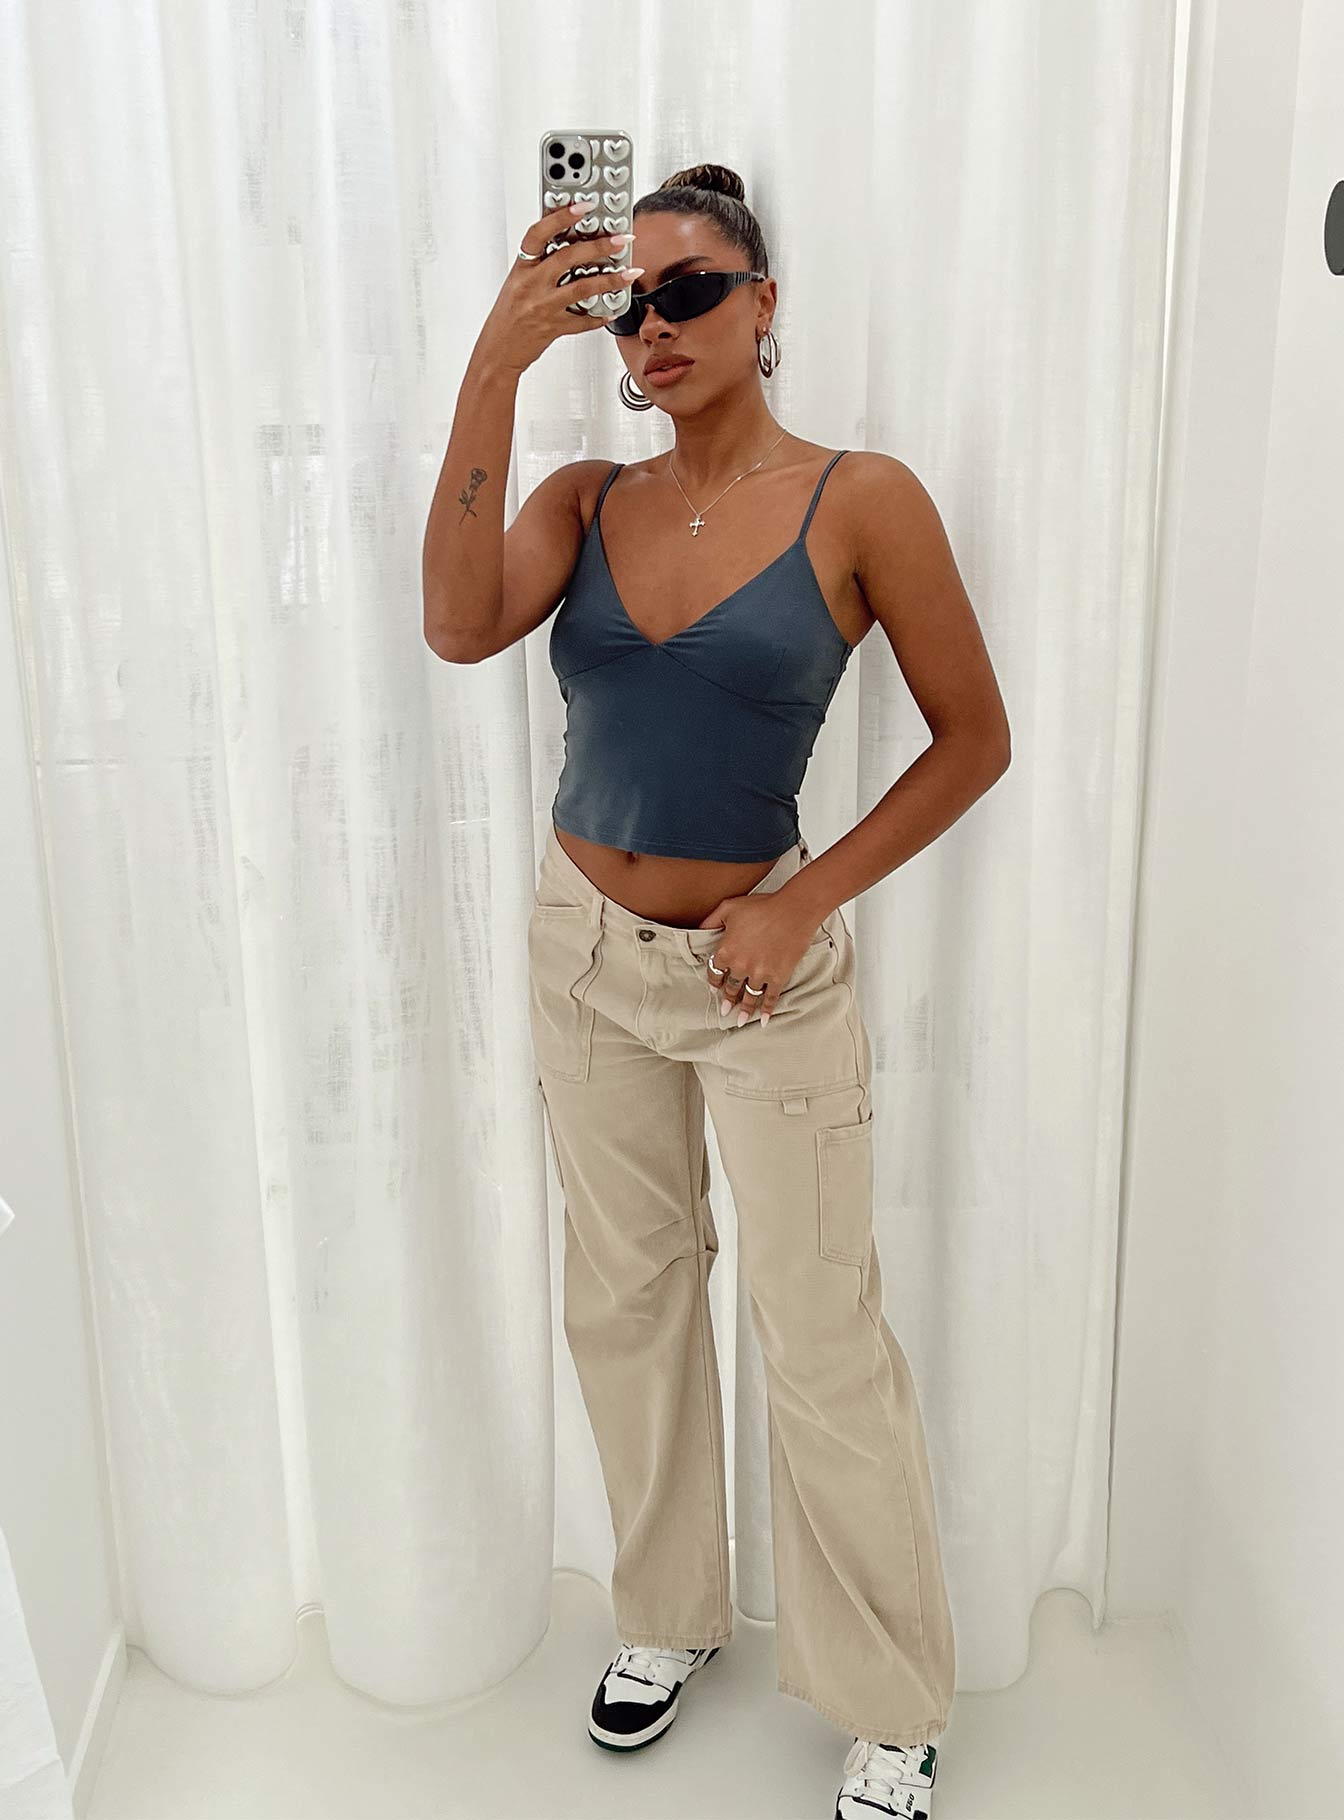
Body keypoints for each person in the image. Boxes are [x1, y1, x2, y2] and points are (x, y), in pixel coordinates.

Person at [423, 159, 1010, 1820]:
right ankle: (667, 1614)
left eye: (691, 291)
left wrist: (802, 901)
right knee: (626, 1299)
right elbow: (456, 626)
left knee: (819, 1327)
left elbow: (975, 738)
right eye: (630, 303)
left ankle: (893, 1700)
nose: (657, 325)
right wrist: (495, 359)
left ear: (764, 302)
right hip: (584, 955)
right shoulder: (584, 498)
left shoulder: (862, 499)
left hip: (764, 982)